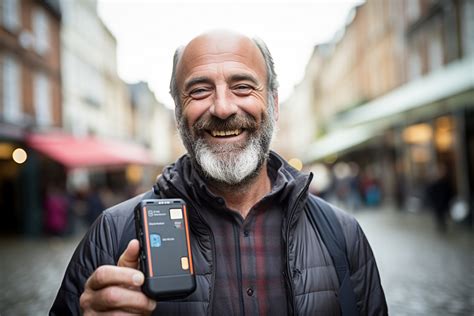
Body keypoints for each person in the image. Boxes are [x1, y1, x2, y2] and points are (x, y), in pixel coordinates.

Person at [50, 30, 387, 315]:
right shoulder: (113, 233)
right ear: (178, 112)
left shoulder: (341, 234)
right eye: (199, 90)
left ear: (274, 105)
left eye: (242, 87)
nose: (223, 108)